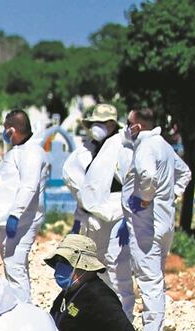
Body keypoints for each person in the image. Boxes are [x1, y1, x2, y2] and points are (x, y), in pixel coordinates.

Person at [122, 107, 191, 331]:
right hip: (164, 223)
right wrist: (170, 195)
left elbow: (148, 176)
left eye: (128, 122)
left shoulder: (145, 147)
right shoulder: (163, 145)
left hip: (146, 225)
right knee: (156, 277)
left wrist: (144, 198)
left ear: (137, 126)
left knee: (148, 279)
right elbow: (185, 173)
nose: (126, 127)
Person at [62, 103, 134, 318]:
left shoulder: (122, 149)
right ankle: (104, 319)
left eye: (101, 123)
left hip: (116, 217)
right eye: (94, 123)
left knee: (117, 269)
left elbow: (131, 185)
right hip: (92, 220)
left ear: (112, 124)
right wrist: (78, 218)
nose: (96, 127)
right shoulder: (86, 150)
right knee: (94, 267)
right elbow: (82, 187)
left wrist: (128, 219)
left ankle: (124, 320)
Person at [0, 109, 49, 303]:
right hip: (5, 220)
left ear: (12, 130)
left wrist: (15, 215)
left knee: (15, 267)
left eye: (4, 129)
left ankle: (23, 314)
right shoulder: (17, 151)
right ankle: (17, 309)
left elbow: (29, 186)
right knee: (12, 267)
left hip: (22, 221)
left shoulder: (32, 152)